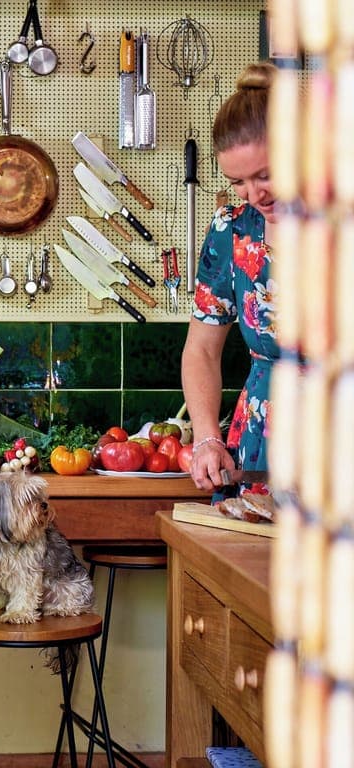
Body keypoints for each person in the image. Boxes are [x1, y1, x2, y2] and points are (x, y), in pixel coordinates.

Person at [181, 62, 279, 496]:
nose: (255, 194)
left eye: (266, 174)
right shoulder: (231, 231)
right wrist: (206, 438)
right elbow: (202, 348)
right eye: (238, 181)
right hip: (262, 441)